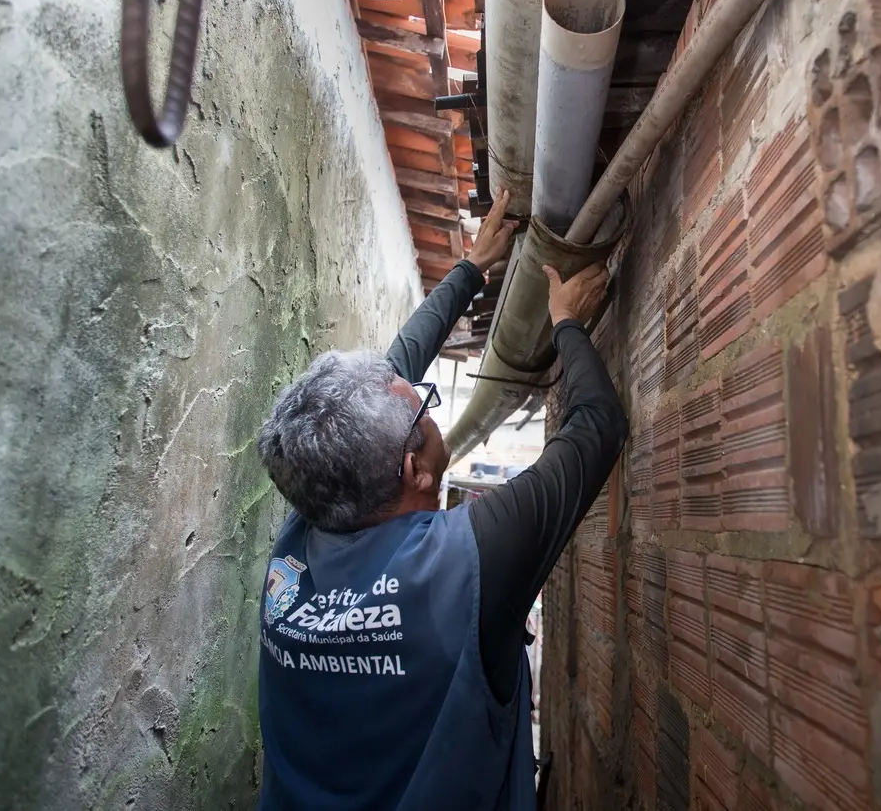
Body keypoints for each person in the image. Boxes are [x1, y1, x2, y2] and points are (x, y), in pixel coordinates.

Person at [253, 190, 628, 811]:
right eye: (421, 403)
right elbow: (597, 426)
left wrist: (472, 269)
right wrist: (567, 324)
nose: (417, 393)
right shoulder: (471, 560)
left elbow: (391, 369)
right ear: (415, 470)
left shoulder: (309, 517)